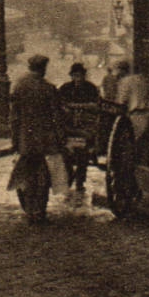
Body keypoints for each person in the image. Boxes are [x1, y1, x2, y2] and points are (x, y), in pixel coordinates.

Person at [9, 54, 70, 220]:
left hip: (26, 139)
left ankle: (29, 210)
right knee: (43, 175)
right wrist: (61, 137)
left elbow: (14, 117)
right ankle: (40, 211)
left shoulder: (19, 87)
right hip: (45, 139)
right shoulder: (48, 88)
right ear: (43, 68)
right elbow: (57, 116)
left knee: (27, 174)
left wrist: (14, 140)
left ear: (30, 68)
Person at [57, 61, 101, 196]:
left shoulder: (91, 88)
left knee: (82, 155)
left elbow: (96, 105)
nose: (78, 78)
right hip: (68, 125)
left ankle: (80, 181)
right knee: (65, 154)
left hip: (85, 126)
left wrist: (78, 107)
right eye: (75, 76)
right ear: (71, 76)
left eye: (80, 75)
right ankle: (69, 176)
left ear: (84, 76)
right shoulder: (65, 88)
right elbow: (58, 104)